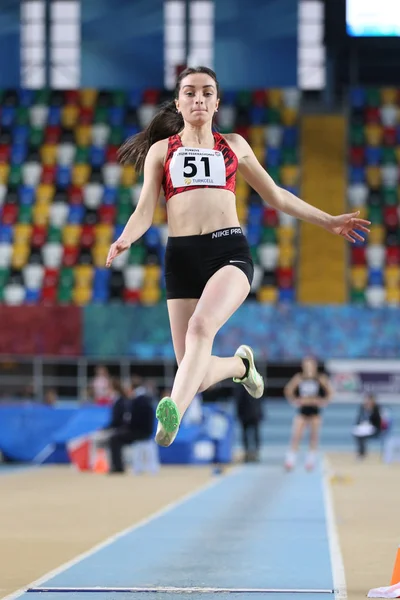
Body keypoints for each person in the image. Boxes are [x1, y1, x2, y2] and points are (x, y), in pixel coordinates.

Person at [105, 66, 370, 448]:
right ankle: (240, 366)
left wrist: (327, 220)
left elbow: (275, 195)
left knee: (200, 332)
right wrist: (126, 237)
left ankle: (173, 414)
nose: (199, 98)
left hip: (227, 251)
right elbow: (145, 209)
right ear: (178, 103)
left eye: (207, 92)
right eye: (190, 92)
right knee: (191, 368)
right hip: (180, 258)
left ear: (216, 102)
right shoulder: (163, 152)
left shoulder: (234, 145)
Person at [283, 356, 333, 471]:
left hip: (315, 410)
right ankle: (291, 459)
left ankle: (310, 460)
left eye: (311, 365)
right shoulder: (299, 378)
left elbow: (330, 392)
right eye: (306, 365)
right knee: (296, 435)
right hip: (302, 410)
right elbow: (288, 390)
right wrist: (295, 400)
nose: (309, 367)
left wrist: (323, 401)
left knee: (313, 436)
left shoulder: (320, 378)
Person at [103, 378, 155, 473]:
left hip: (139, 432)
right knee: (116, 437)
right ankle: (118, 465)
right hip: (145, 431)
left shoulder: (137, 400)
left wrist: (126, 427)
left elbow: (135, 420)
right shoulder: (145, 399)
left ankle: (118, 467)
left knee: (114, 439)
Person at [235, 384, 263, 463]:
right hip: (246, 412)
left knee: (255, 433)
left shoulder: (256, 382)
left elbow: (260, 397)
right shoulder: (240, 385)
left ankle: (255, 452)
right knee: (246, 434)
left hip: (253, 412)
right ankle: (248, 452)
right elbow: (238, 399)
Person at [352, 394, 382, 459]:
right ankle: (361, 452)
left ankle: (362, 454)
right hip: (364, 428)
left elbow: (378, 421)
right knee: (357, 434)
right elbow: (359, 418)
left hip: (374, 428)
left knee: (362, 435)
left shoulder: (376, 408)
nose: (367, 401)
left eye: (369, 399)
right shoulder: (362, 407)